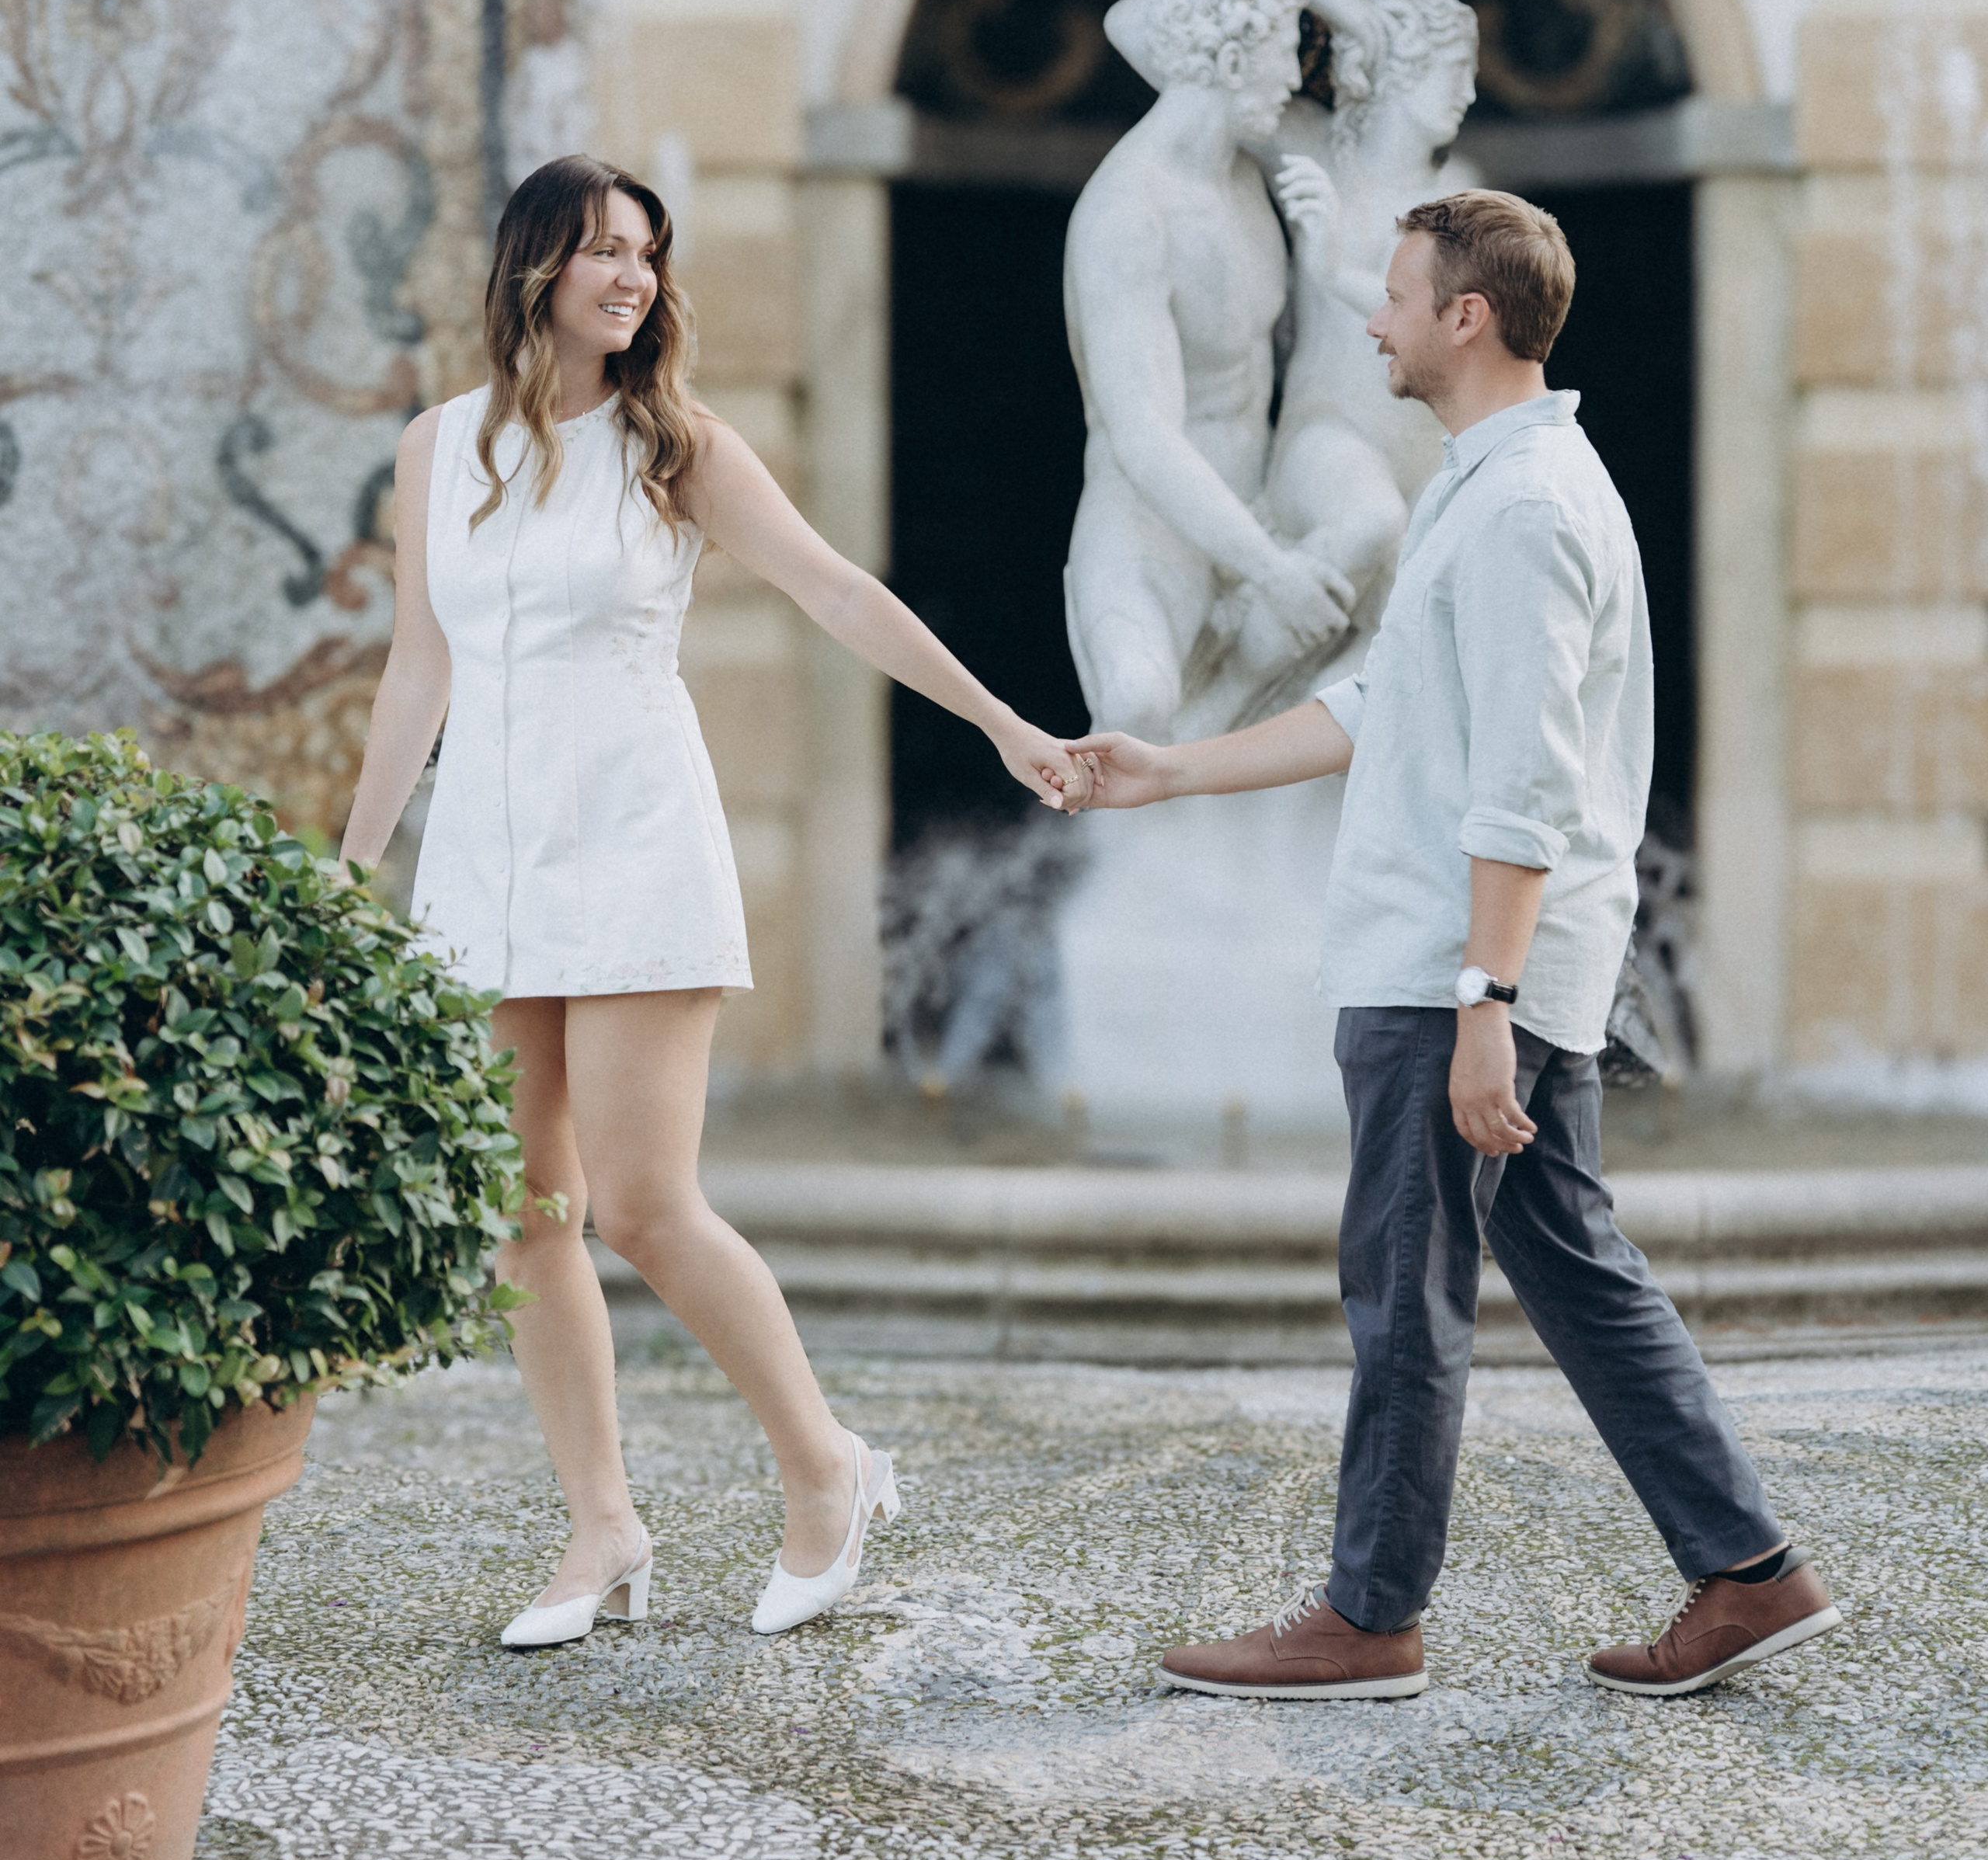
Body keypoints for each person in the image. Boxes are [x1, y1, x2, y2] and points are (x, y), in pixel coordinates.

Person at [1069, 189, 1840, 1702]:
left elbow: (1521, 783)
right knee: (1568, 1264)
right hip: (1468, 967)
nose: (1371, 324)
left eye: (1396, 299)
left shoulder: (1524, 509)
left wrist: (1480, 1001)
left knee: (1403, 1292)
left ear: (1463, 319)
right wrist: (1170, 767)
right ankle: (1746, 1571)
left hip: (1449, 973)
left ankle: (1370, 1617)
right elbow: (1379, 712)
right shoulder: (1488, 489)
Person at [339, 153, 1090, 1650]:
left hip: (631, 846)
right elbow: (418, 669)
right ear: (533, 267)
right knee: (522, 1213)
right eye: (605, 251)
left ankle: (829, 1471)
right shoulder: (439, 448)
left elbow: (838, 594)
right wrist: (347, 882)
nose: (633, 278)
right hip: (487, 864)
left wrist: (1005, 723)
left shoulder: (673, 445)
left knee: (645, 1206)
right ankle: (602, 1527)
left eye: (648, 256)